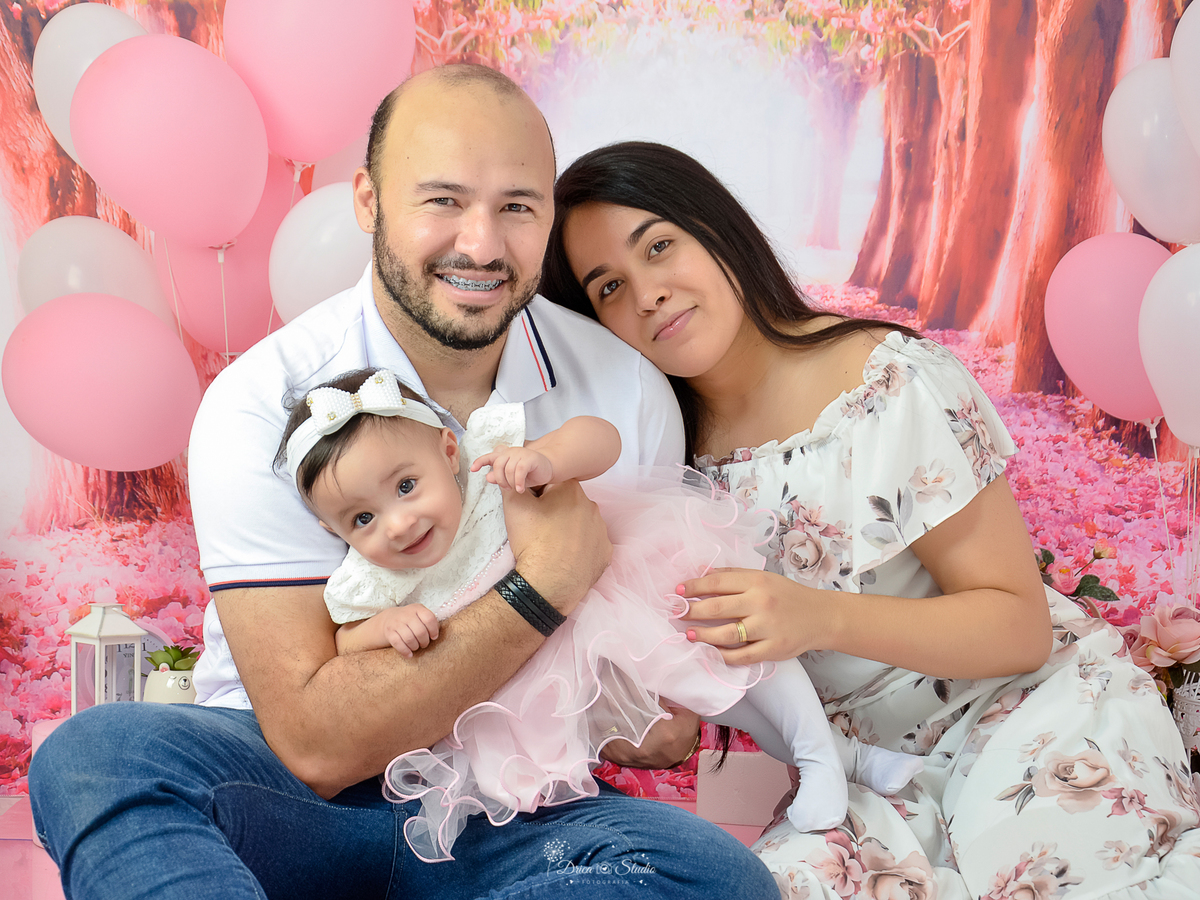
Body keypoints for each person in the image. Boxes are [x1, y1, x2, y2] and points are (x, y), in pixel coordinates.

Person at [28, 70, 782, 899]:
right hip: (291, 804)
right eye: (443, 201)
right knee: (96, 757)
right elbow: (317, 742)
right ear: (367, 202)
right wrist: (540, 590)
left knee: (715, 876)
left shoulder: (625, 390)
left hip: (514, 814)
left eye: (518, 207)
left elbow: (644, 667)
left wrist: (654, 708)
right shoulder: (259, 402)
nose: (483, 244)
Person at [541, 140, 1200, 899]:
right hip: (858, 777)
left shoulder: (889, 383)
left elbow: (1017, 628)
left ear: (717, 230)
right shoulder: (657, 458)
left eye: (659, 247)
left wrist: (815, 615)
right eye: (609, 288)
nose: (647, 294)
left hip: (1021, 710)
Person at [278, 367, 925, 861]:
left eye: (406, 485)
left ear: (448, 451)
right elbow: (343, 639)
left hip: (623, 582)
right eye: (361, 519)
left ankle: (816, 757)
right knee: (723, 696)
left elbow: (601, 439)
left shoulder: (487, 465)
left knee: (735, 646)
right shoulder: (372, 577)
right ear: (331, 529)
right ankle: (849, 759)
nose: (397, 522)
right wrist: (381, 629)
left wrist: (548, 458)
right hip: (560, 651)